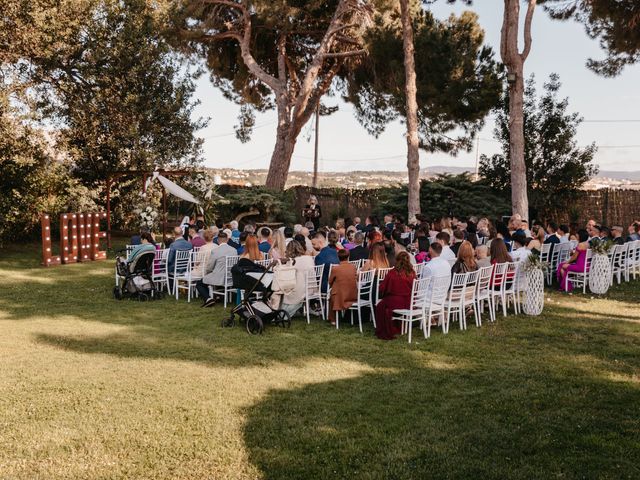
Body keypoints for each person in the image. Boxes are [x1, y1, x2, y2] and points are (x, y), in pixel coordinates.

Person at [375, 251, 416, 340]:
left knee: (380, 306)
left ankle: (387, 328)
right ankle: (396, 325)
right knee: (384, 305)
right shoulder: (412, 272)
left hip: (395, 301)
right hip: (409, 302)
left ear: (396, 260)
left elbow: (382, 287)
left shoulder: (393, 273)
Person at [196, 231, 237, 307]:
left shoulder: (215, 251)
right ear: (227, 240)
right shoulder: (234, 250)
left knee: (199, 283)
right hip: (230, 276)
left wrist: (207, 272)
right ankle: (217, 296)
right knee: (213, 275)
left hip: (219, 277)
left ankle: (208, 299)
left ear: (218, 240)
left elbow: (210, 267)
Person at [276, 240, 316, 317]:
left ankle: (279, 310)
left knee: (281, 288)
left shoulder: (294, 262)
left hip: (300, 290)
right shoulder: (309, 258)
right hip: (311, 288)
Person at [327, 249, 358, 325]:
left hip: (341, 296)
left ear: (338, 257)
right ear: (348, 257)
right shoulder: (353, 267)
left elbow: (330, 281)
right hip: (352, 294)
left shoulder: (335, 269)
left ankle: (333, 319)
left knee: (332, 295)